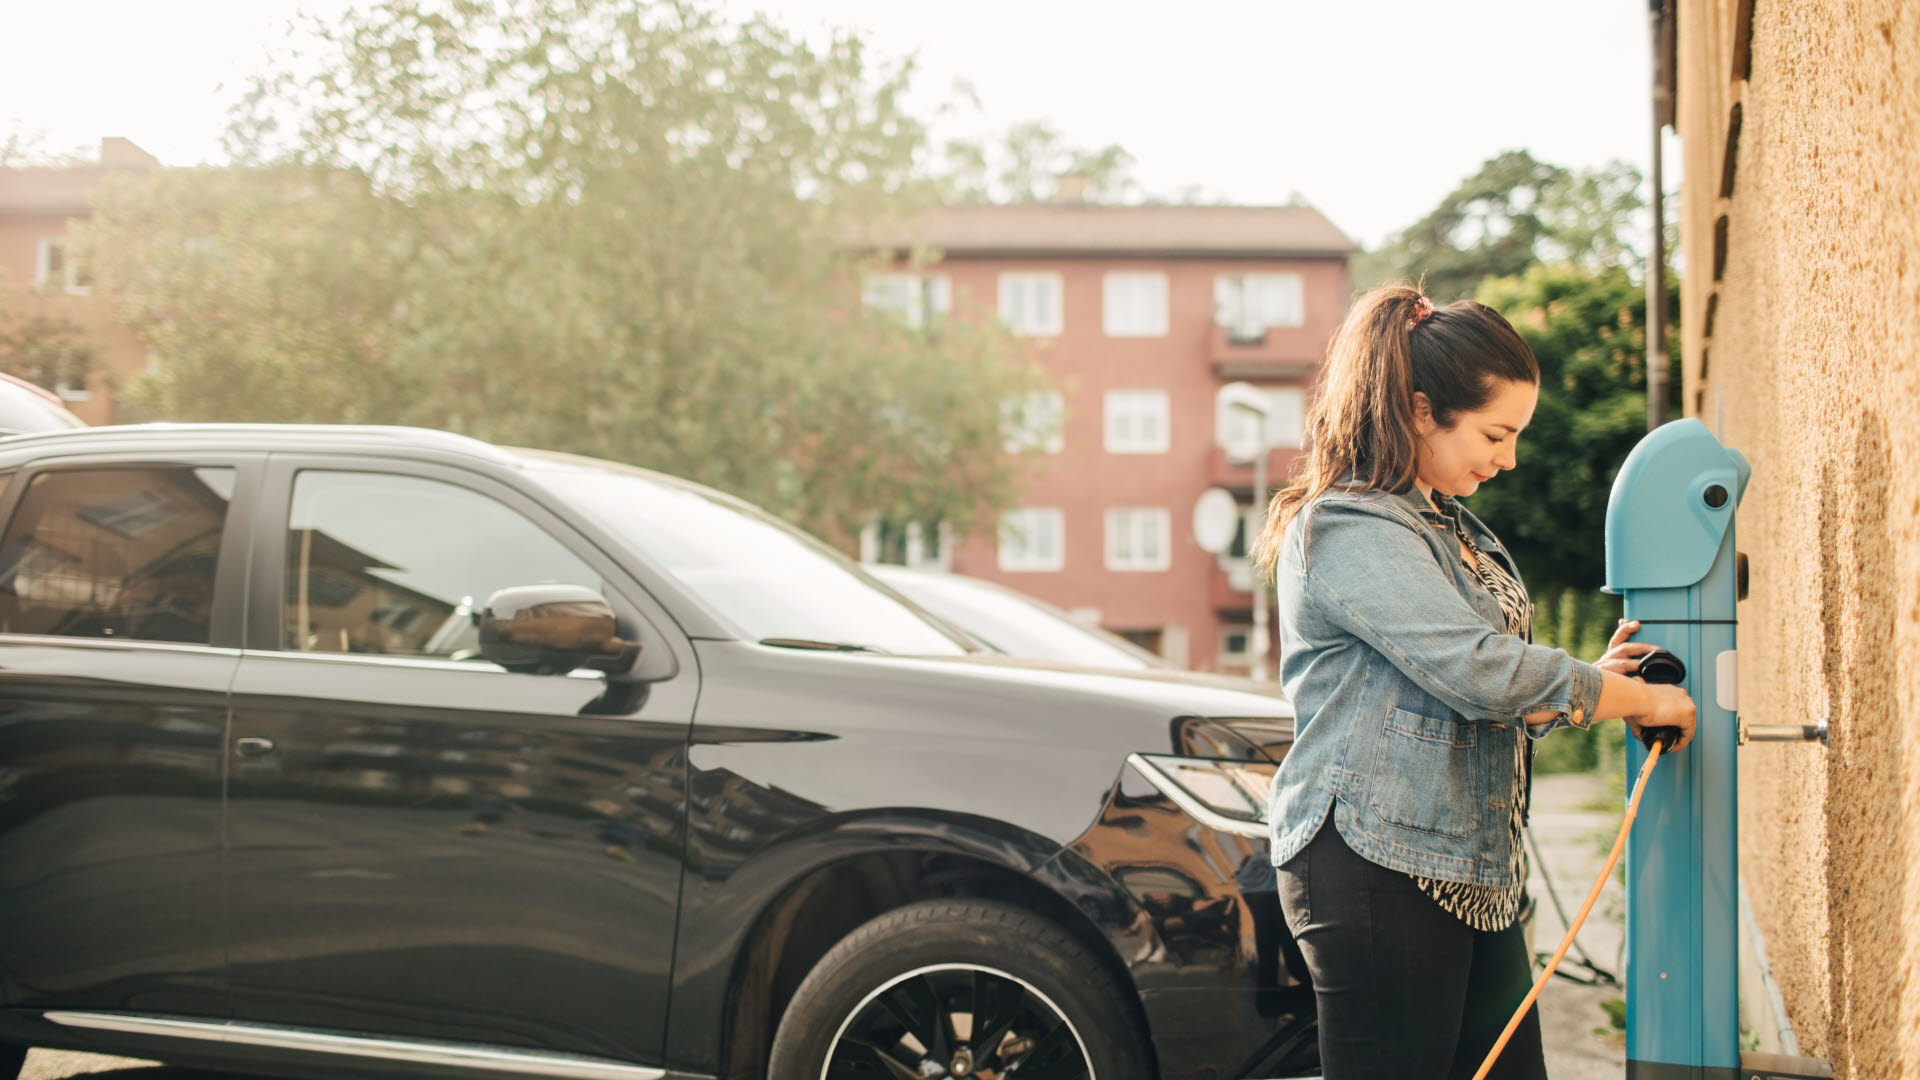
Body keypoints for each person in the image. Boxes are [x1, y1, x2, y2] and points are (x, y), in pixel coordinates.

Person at [1254, 284, 1698, 1079]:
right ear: (1422, 411)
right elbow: (1478, 670)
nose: (1511, 458)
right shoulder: (1349, 525)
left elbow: (1476, 686)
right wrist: (1638, 698)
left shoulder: (1452, 526)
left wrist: (1590, 683)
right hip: (1375, 865)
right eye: (1497, 433)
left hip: (1468, 864)